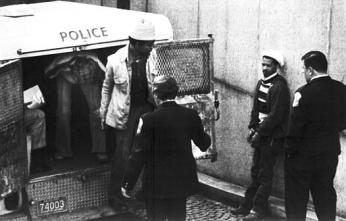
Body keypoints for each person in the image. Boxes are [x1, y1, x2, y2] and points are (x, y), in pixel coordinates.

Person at [120, 75, 211, 221]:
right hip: (180, 182)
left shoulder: (147, 119)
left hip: (156, 185)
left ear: (156, 95)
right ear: (175, 92)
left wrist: (128, 183)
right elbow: (204, 144)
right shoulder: (190, 115)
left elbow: (138, 155)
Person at [99, 18, 158, 210]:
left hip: (147, 108)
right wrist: (103, 114)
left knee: (145, 150)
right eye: (148, 45)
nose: (151, 48)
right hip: (125, 112)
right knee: (122, 154)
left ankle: (138, 191)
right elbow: (107, 88)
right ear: (137, 44)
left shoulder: (152, 56)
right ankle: (115, 196)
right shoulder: (115, 61)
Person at [285, 51, 346, 221]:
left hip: (302, 157)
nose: (304, 73)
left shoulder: (302, 93)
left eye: (303, 70)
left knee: (296, 200)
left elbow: (295, 129)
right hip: (329, 154)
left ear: (310, 70)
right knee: (325, 195)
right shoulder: (342, 90)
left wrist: (289, 152)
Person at [231, 50, 290, 220]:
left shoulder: (280, 87)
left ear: (276, 67)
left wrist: (259, 132)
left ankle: (258, 210)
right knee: (255, 171)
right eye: (263, 64)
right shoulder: (260, 83)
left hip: (271, 138)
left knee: (265, 174)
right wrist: (252, 127)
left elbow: (276, 116)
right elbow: (255, 109)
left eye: (268, 65)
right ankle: (246, 205)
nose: (264, 68)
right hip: (260, 134)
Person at [45, 52, 107, 163]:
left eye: (84, 80)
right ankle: (62, 150)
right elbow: (46, 72)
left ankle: (101, 149)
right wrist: (62, 72)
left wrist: (104, 106)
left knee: (97, 109)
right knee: (63, 112)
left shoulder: (95, 63)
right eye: (80, 80)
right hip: (65, 71)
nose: (81, 83)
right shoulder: (60, 63)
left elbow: (110, 78)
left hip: (86, 70)